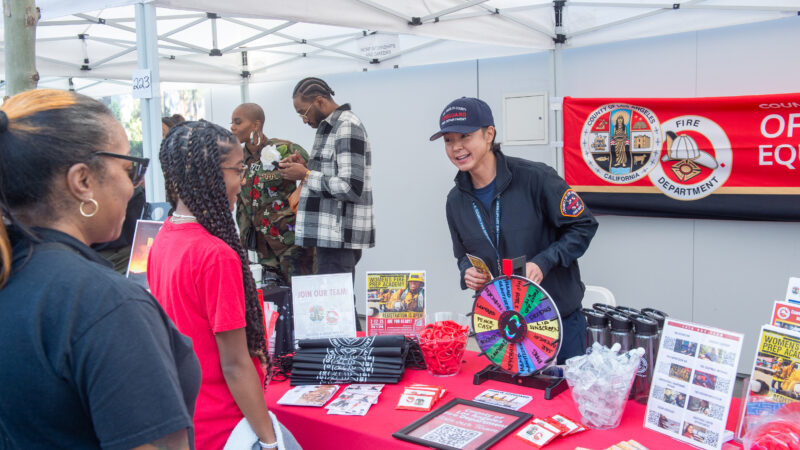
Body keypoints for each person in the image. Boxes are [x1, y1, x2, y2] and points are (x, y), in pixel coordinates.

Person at [0, 89, 200, 449]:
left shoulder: (14, 270)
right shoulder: (104, 303)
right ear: (82, 181)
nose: (132, 185)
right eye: (129, 169)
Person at [148, 120, 283, 450]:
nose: (241, 182)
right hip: (225, 426)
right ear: (207, 174)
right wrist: (269, 440)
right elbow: (235, 365)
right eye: (237, 170)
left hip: (189, 417)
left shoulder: (164, 237)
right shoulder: (215, 255)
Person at [432, 97, 598, 364]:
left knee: (565, 401)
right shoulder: (455, 200)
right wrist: (468, 271)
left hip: (558, 321)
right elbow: (462, 254)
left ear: (489, 135)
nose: (457, 147)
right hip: (501, 329)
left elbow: (583, 226)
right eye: (448, 140)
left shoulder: (536, 178)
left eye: (465, 136)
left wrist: (544, 262)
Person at [280, 77, 375, 330]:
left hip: (338, 235)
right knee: (337, 304)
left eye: (303, 111)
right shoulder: (331, 126)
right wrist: (307, 164)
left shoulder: (347, 126)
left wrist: (306, 175)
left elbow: (350, 187)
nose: (303, 119)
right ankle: (351, 358)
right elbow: (334, 174)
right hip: (329, 234)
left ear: (319, 101)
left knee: (338, 304)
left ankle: (355, 360)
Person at [230, 102, 313, 284]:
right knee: (272, 298)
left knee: (301, 295)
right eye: (232, 122)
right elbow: (242, 205)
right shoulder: (237, 160)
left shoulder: (284, 149)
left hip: (290, 243)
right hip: (261, 248)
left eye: (238, 122)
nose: (232, 127)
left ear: (255, 125)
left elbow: (314, 174)